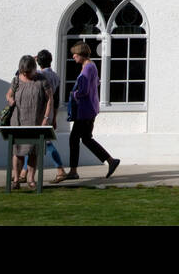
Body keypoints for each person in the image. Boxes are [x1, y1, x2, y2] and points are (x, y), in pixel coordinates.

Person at [63, 42, 120, 180]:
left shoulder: (88, 68)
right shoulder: (91, 66)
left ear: (81, 54)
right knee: (86, 139)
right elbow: (96, 84)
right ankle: (111, 161)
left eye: (75, 54)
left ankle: (73, 171)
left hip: (85, 111)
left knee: (74, 139)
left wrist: (73, 94)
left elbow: (84, 91)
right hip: (89, 109)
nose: (73, 56)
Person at [7, 54, 53, 190]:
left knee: (33, 151)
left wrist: (46, 118)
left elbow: (50, 99)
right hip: (18, 121)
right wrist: (10, 100)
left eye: (28, 72)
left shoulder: (42, 80)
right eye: (24, 72)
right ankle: (16, 179)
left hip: (35, 121)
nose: (26, 74)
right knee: (17, 151)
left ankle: (31, 179)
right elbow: (8, 94)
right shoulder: (16, 80)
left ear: (34, 68)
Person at [31, 49, 67, 184]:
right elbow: (56, 99)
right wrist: (55, 117)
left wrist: (30, 59)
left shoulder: (39, 75)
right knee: (35, 142)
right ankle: (24, 172)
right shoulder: (56, 77)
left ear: (38, 61)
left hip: (40, 113)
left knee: (43, 142)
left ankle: (60, 169)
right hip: (50, 112)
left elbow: (20, 73)